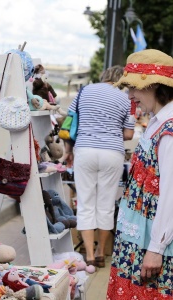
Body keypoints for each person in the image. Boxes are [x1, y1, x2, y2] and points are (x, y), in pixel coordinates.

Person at [107, 49, 173, 299]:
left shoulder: (169, 131)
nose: (130, 94)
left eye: (134, 87)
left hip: (152, 244)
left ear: (156, 86)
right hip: (139, 238)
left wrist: (157, 248)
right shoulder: (158, 122)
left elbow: (170, 195)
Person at [67, 65, 135, 268]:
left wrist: (68, 150)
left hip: (85, 150)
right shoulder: (126, 97)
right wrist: (110, 131)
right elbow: (129, 134)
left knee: (86, 203)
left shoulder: (84, 91)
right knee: (106, 206)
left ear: (103, 76)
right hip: (112, 153)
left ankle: (87, 254)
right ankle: (100, 253)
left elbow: (70, 121)